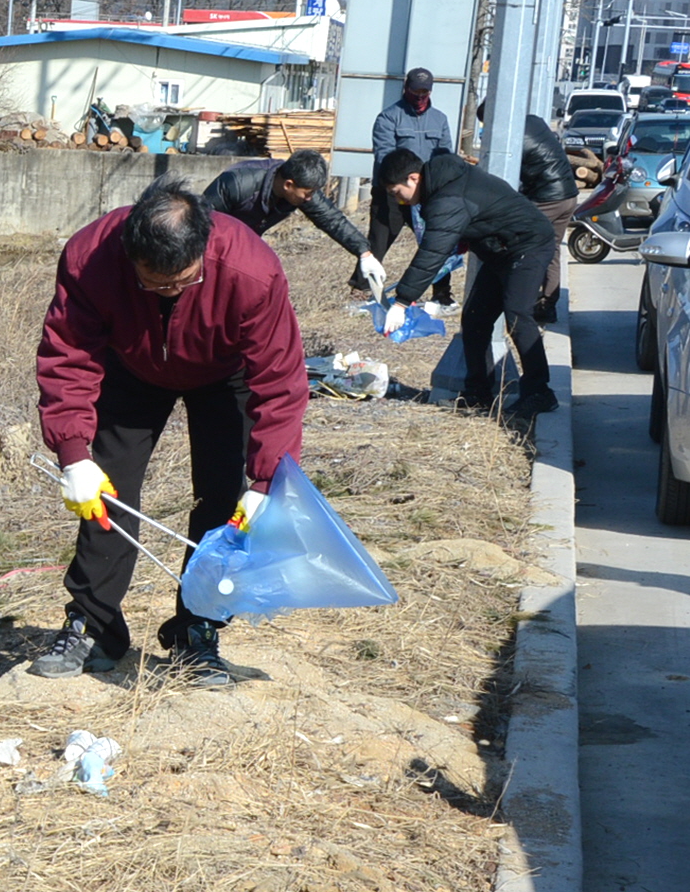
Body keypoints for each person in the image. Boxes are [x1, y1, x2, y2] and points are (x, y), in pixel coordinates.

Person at [31, 177, 308, 686]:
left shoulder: (252, 270)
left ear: (203, 249)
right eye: (153, 283)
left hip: (225, 375)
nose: (168, 291)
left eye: (181, 281)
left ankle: (197, 627)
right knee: (106, 493)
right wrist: (73, 453)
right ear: (129, 250)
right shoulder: (89, 257)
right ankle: (93, 624)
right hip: (131, 368)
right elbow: (68, 355)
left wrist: (268, 482)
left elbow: (281, 381)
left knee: (224, 501)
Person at [377, 148, 559, 416]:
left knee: (518, 314)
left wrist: (402, 301)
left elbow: (432, 252)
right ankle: (478, 394)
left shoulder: (446, 198)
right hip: (500, 249)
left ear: (414, 179)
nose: (399, 201)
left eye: (397, 193)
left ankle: (539, 392)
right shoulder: (443, 184)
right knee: (474, 318)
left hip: (527, 244)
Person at [201, 149, 387, 294]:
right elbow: (200, 222)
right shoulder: (237, 183)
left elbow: (332, 220)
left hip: (246, 241)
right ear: (288, 185)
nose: (309, 199)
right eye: (308, 194)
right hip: (213, 242)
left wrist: (364, 252)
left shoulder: (299, 190)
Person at [475, 101, 577, 324]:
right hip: (568, 194)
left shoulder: (510, 135)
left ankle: (516, 299)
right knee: (552, 249)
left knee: (518, 242)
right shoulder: (534, 121)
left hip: (547, 197)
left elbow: (501, 172)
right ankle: (548, 305)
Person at [361, 67, 456, 303]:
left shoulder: (440, 119)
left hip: (426, 193)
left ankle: (442, 294)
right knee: (378, 240)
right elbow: (384, 154)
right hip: (392, 192)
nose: (421, 96)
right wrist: (402, 181)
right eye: (416, 90)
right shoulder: (388, 117)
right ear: (406, 88)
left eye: (425, 91)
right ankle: (362, 288)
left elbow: (445, 154)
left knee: (436, 242)